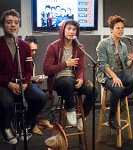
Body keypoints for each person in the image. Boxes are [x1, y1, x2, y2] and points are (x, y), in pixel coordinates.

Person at [0, 9, 48, 144]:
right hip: (4, 84)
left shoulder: (25, 46)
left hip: (23, 83)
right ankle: (5, 127)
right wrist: (9, 84)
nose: (13, 25)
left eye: (16, 22)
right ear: (3, 25)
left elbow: (28, 70)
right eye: (9, 22)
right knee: (6, 103)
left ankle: (25, 122)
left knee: (41, 97)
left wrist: (26, 83)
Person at [43, 20, 98, 131]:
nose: (71, 31)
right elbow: (46, 69)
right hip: (58, 80)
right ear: (63, 30)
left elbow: (81, 67)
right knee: (68, 81)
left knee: (94, 91)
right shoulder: (53, 47)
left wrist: (80, 78)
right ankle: (70, 109)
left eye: (74, 29)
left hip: (73, 79)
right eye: (69, 28)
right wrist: (66, 64)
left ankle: (82, 117)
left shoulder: (79, 48)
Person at [96, 15, 133, 129]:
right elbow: (103, 64)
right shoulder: (103, 44)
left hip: (120, 73)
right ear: (111, 29)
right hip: (106, 76)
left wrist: (132, 60)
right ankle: (111, 118)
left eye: (122, 28)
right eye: (118, 28)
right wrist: (114, 77)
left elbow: (127, 65)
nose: (121, 30)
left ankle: (120, 97)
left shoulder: (123, 46)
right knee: (117, 88)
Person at [25, 36, 53, 136]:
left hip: (31, 85)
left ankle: (42, 119)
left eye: (35, 50)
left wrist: (38, 79)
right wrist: (34, 79)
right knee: (40, 97)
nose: (33, 53)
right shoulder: (20, 59)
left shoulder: (31, 61)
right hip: (23, 87)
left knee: (49, 94)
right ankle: (31, 123)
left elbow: (30, 78)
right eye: (31, 50)